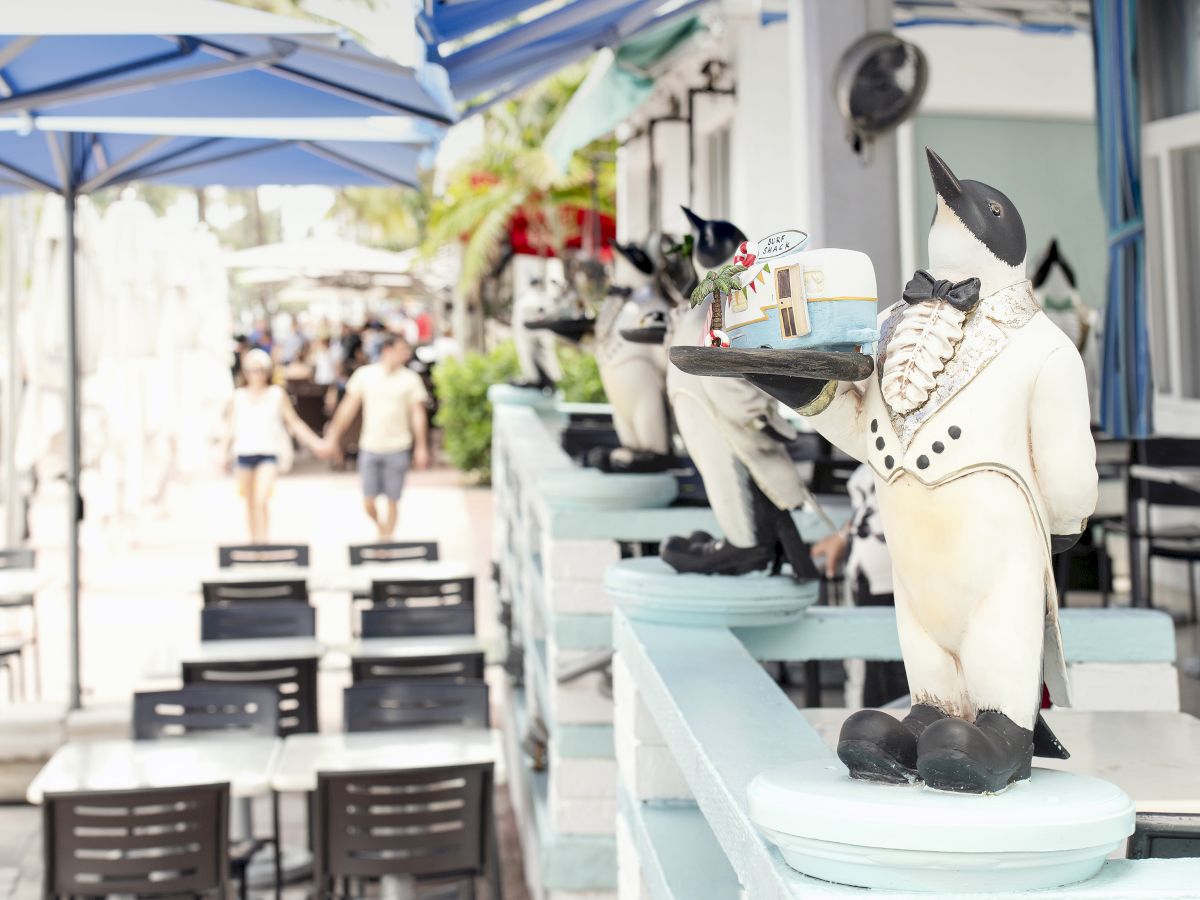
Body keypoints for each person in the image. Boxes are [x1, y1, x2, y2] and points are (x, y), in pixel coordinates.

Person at [810, 464, 908, 708]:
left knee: (900, 688)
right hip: (871, 577)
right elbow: (872, 506)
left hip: (905, 581)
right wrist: (844, 535)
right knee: (871, 678)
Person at [324, 335, 430, 538]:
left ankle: (386, 539)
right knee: (368, 501)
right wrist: (333, 435)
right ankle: (382, 530)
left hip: (399, 446)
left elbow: (418, 414)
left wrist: (421, 447)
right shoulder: (365, 375)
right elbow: (348, 407)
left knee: (392, 499)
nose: (406, 354)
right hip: (370, 446)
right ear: (387, 350)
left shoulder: (410, 379)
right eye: (401, 349)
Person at [225, 349, 327, 542]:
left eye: (260, 370)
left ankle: (264, 541)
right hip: (243, 452)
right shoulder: (238, 396)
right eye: (252, 370)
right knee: (249, 502)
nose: (256, 374)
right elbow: (230, 427)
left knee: (261, 498)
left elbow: (294, 422)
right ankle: (254, 542)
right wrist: (222, 451)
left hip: (268, 452)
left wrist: (316, 443)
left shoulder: (276, 394)